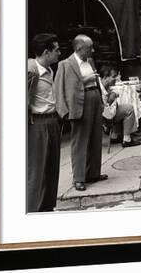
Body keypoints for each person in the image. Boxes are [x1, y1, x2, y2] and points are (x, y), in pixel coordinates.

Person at [54, 34, 108, 192]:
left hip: (94, 98)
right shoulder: (65, 64)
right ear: (79, 48)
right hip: (79, 103)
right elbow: (58, 89)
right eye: (89, 48)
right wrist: (63, 111)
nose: (93, 50)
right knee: (80, 141)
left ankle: (93, 173)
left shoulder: (89, 61)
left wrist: (101, 99)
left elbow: (96, 80)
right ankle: (78, 178)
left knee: (95, 138)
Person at [27, 33, 61, 212]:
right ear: (46, 52)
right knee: (37, 172)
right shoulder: (30, 70)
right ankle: (32, 211)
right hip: (38, 124)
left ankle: (48, 208)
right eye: (56, 50)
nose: (59, 53)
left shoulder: (49, 70)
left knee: (51, 170)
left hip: (52, 122)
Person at [99, 66, 141, 148]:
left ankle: (116, 135)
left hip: (106, 114)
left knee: (122, 107)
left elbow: (114, 93)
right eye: (113, 76)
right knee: (129, 109)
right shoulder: (100, 89)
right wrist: (111, 101)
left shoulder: (104, 85)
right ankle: (127, 139)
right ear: (105, 77)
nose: (116, 78)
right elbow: (107, 112)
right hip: (104, 118)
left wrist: (113, 94)